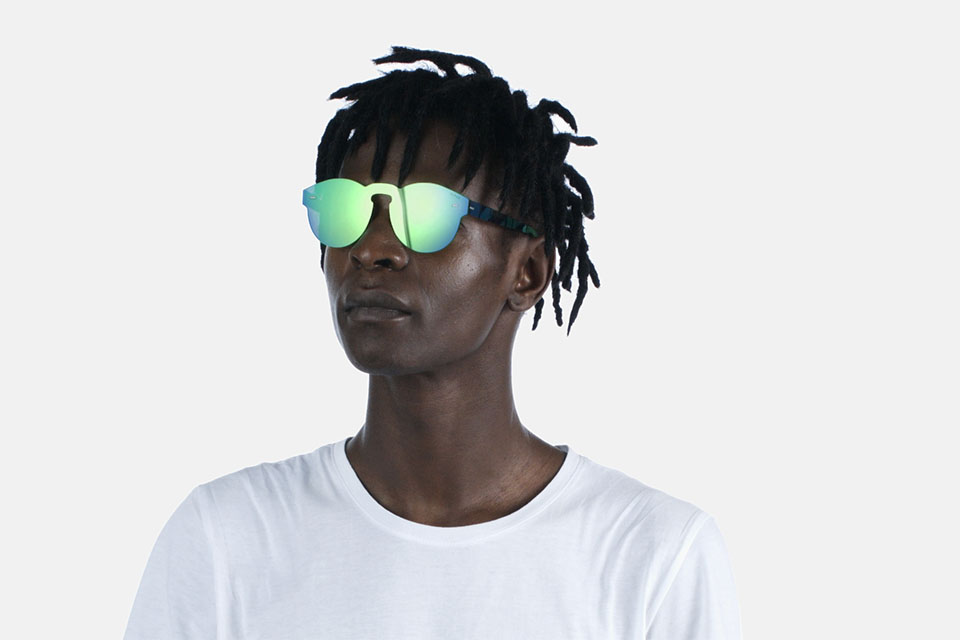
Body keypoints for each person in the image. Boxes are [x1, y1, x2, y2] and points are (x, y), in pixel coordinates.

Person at [123, 46, 742, 639]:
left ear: (527, 273)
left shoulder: (655, 555)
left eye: (424, 214)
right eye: (345, 209)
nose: (371, 248)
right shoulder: (226, 540)